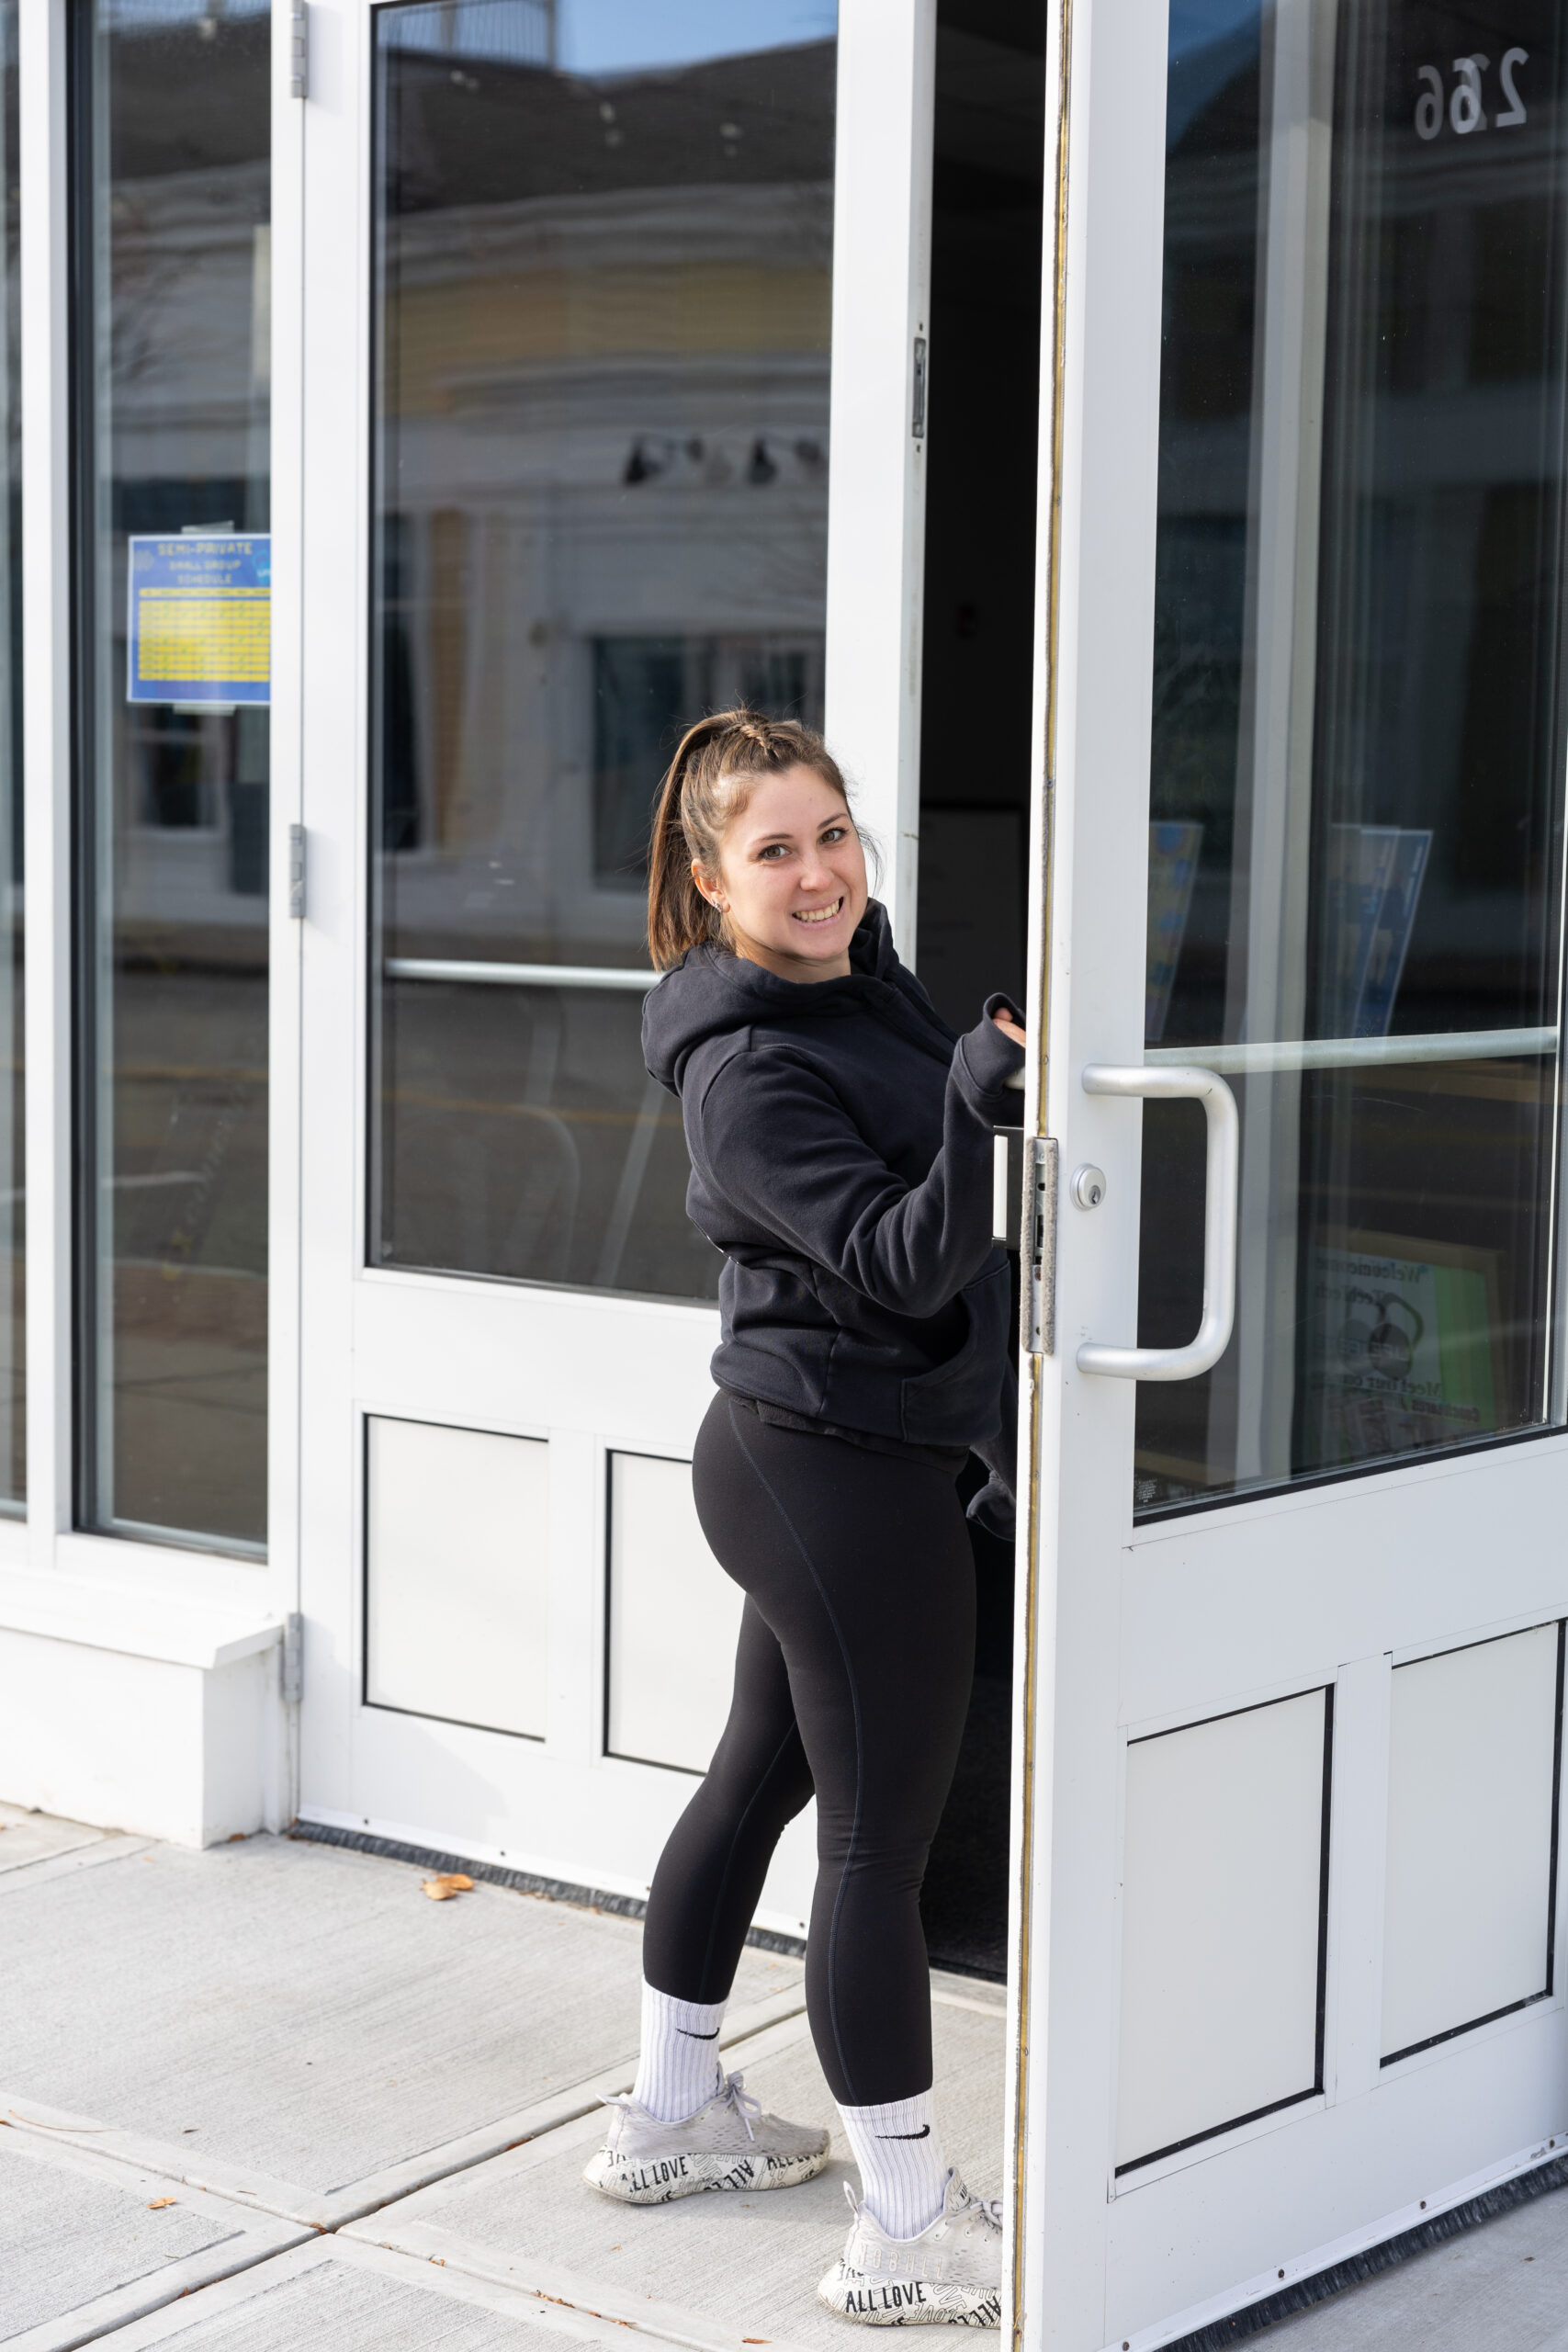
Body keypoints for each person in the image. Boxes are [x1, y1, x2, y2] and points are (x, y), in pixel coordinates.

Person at [581, 711, 1025, 2327]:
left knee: (757, 1782)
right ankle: (905, 2224)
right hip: (831, 1476)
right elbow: (907, 1261)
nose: (821, 871)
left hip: (824, 1455)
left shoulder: (849, 983)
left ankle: (673, 2112)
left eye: (834, 833)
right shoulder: (749, 1071)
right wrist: (980, 1105)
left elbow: (892, 1034)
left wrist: (957, 1056)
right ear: (710, 882)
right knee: (871, 1852)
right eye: (775, 850)